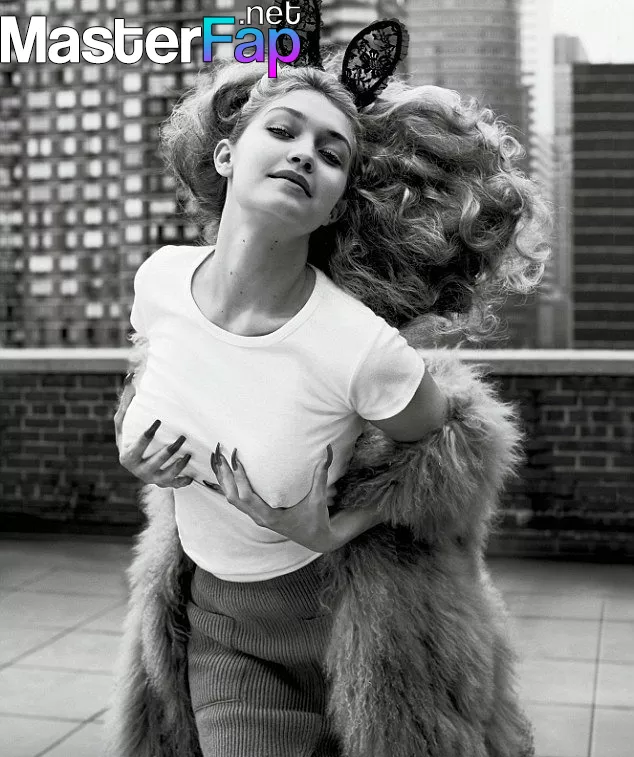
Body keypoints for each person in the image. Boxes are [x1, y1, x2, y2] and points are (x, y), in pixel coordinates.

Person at [106, 21, 550, 757]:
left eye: (331, 152)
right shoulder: (159, 280)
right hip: (223, 626)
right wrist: (134, 449)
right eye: (282, 130)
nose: (303, 152)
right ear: (225, 153)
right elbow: (154, 378)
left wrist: (335, 528)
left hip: (358, 627)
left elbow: (456, 450)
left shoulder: (356, 344)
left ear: (338, 201)